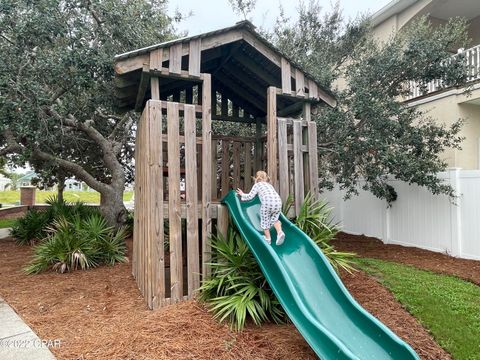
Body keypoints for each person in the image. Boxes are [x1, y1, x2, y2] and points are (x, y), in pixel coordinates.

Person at [236, 171, 285, 246]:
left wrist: (242, 194)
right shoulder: (269, 185)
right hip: (278, 203)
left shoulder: (257, 185)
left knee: (265, 221)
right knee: (275, 219)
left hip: (267, 204)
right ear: (266, 178)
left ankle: (268, 239)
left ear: (256, 178)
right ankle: (280, 232)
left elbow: (250, 196)